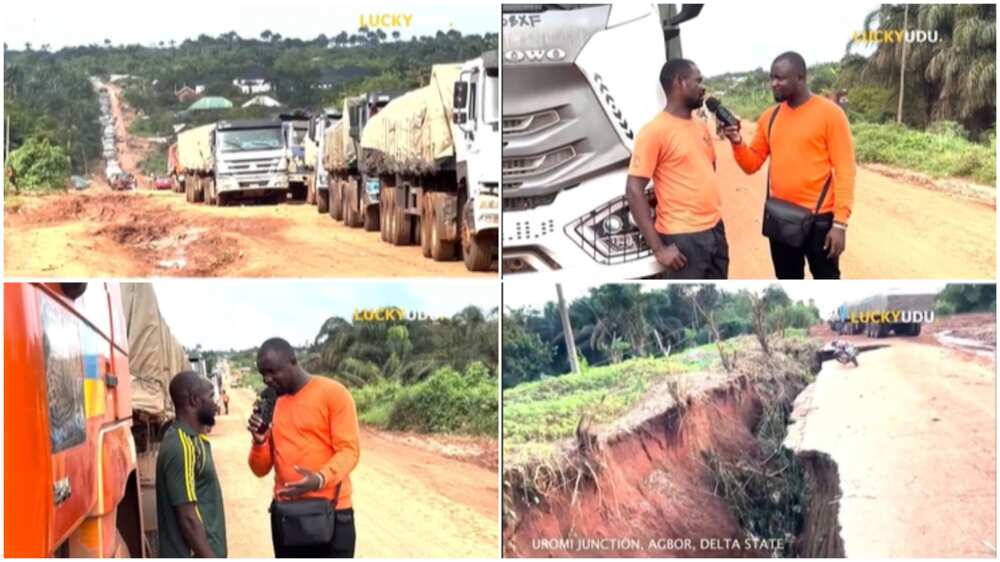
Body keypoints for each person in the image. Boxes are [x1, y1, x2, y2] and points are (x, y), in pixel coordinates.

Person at [723, 51, 856, 279]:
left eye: (780, 78)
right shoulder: (769, 117)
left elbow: (845, 170)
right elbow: (752, 163)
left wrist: (840, 224)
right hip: (782, 220)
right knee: (788, 280)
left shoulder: (830, 115)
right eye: (772, 78)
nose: (774, 84)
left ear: (800, 78)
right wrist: (737, 143)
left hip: (820, 221)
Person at [247, 337, 360, 558]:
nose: (267, 379)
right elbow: (259, 469)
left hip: (332, 512)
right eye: (263, 374)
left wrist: (319, 479)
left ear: (293, 361)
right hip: (287, 517)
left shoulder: (334, 394)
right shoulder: (270, 403)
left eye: (273, 371)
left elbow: (349, 450)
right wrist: (259, 442)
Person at [625, 58, 729, 279]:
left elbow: (709, 168)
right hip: (683, 238)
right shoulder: (654, 131)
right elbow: (634, 190)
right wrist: (659, 249)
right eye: (697, 81)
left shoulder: (700, 126)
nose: (703, 88)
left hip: (715, 229)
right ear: (679, 83)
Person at [156, 371, 228, 558]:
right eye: (211, 396)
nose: (215, 403)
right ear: (195, 400)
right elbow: (188, 519)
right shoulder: (182, 446)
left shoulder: (193, 440)